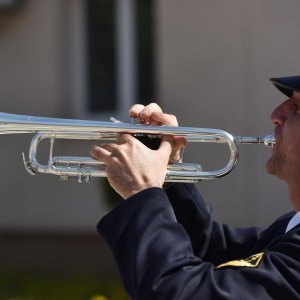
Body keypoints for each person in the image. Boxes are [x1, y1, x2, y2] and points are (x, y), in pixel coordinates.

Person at [90, 76, 300, 300]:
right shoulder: (290, 226)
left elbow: (177, 293)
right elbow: (211, 250)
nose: (275, 115)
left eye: (297, 107)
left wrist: (141, 190)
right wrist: (166, 175)